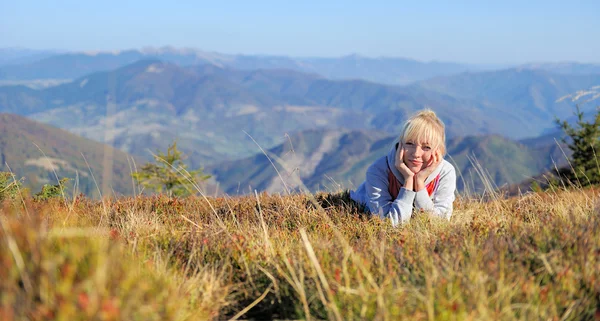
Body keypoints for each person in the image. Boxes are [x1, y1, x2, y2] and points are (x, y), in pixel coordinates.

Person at [350, 109, 456, 226]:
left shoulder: (446, 172)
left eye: (426, 147)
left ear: (438, 151)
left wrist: (419, 183)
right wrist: (408, 181)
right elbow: (389, 224)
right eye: (409, 143)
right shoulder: (378, 170)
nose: (416, 153)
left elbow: (438, 223)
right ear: (400, 144)